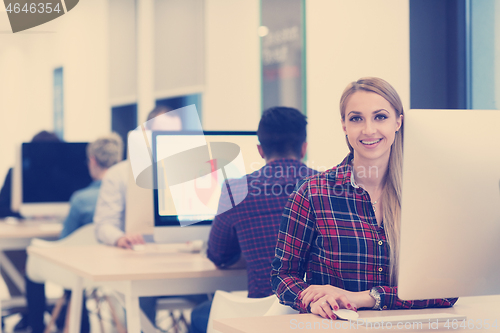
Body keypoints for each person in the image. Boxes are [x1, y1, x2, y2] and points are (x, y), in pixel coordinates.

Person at [271, 77, 458, 320]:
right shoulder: (312, 193)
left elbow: (448, 289)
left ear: (398, 122)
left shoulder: (425, 195)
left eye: (380, 117)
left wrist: (361, 297)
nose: (368, 129)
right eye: (356, 118)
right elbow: (283, 275)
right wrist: (312, 301)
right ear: (344, 126)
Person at [190, 106, 318, 333]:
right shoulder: (327, 186)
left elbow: (218, 255)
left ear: (260, 150)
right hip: (317, 313)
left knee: (200, 312)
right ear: (304, 148)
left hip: (263, 318)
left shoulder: (236, 190)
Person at [94, 105, 201, 326]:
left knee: (215, 302)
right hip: (139, 264)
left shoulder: (191, 172)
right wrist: (119, 238)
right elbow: (104, 224)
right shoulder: (120, 174)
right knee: (141, 303)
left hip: (185, 264)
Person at [26, 133, 124, 333]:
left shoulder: (81, 199)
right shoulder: (127, 195)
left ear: (92, 160)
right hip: (116, 267)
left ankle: (36, 327)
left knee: (34, 257)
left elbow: (65, 242)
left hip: (81, 270)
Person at [0, 131, 61, 331]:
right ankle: (29, 312)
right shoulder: (18, 172)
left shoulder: (61, 173)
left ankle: (54, 311)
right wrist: (27, 213)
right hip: (20, 241)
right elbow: (2, 207)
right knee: (17, 262)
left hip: (56, 242)